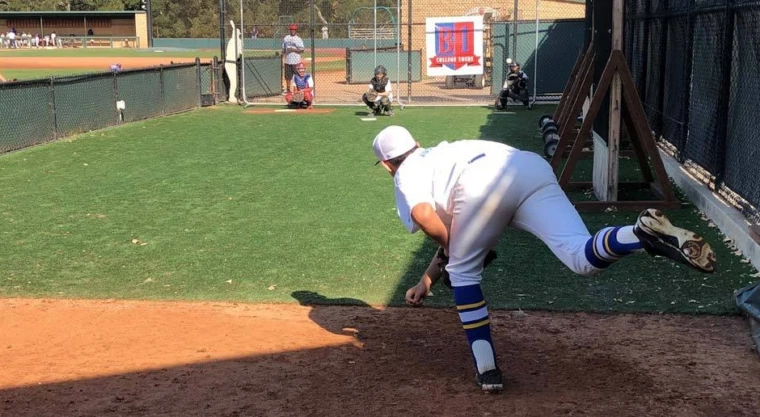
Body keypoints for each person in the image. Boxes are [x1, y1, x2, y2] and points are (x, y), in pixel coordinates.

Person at [370, 125, 716, 393]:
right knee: (580, 255)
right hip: (529, 167)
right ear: (415, 144)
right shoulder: (447, 151)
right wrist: (426, 281)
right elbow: (451, 237)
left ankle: (487, 369)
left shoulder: (406, 172)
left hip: (480, 185)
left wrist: (458, 255)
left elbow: (425, 216)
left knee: (463, 275)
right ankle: (638, 234)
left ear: (387, 164)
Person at [282, 23, 304, 94]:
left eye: (294, 29)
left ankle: (299, 89)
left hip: (296, 61)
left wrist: (293, 50)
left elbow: (302, 50)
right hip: (288, 61)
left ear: (296, 30)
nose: (293, 31)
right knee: (288, 77)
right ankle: (288, 90)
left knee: (297, 76)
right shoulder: (286, 38)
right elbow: (283, 49)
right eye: (291, 29)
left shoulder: (298, 39)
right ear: (290, 30)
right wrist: (283, 55)